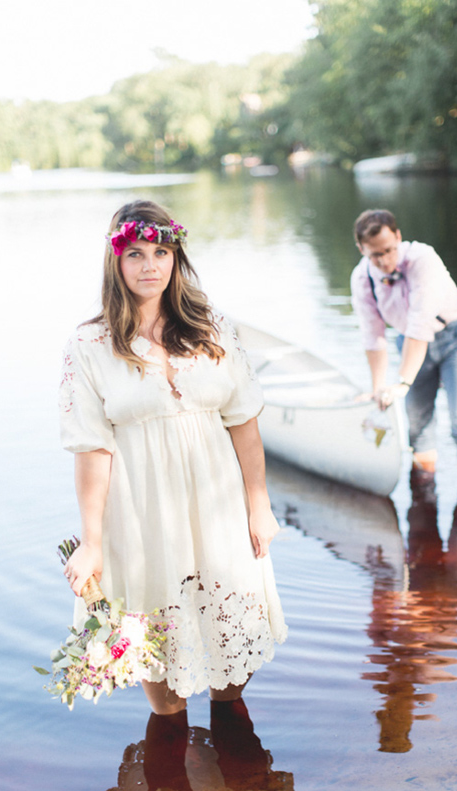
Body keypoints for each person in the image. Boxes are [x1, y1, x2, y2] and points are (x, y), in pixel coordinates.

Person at [59, 200, 287, 716]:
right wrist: (92, 542)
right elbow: (92, 450)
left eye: (161, 251)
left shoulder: (213, 327)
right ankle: (171, 785)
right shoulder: (90, 344)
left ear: (175, 257)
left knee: (232, 672)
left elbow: (244, 426)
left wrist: (259, 505)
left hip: (219, 508)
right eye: (135, 253)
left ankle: (237, 780)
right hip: (141, 519)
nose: (149, 265)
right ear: (115, 262)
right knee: (166, 688)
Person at [350, 209, 457, 501]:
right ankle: (424, 499)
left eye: (388, 250)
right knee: (418, 427)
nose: (384, 261)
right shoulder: (362, 279)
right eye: (375, 255)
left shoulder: (424, 260)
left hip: (454, 339)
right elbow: (373, 338)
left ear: (398, 237)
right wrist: (378, 389)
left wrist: (402, 382)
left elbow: (420, 327)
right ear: (362, 250)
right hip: (408, 342)